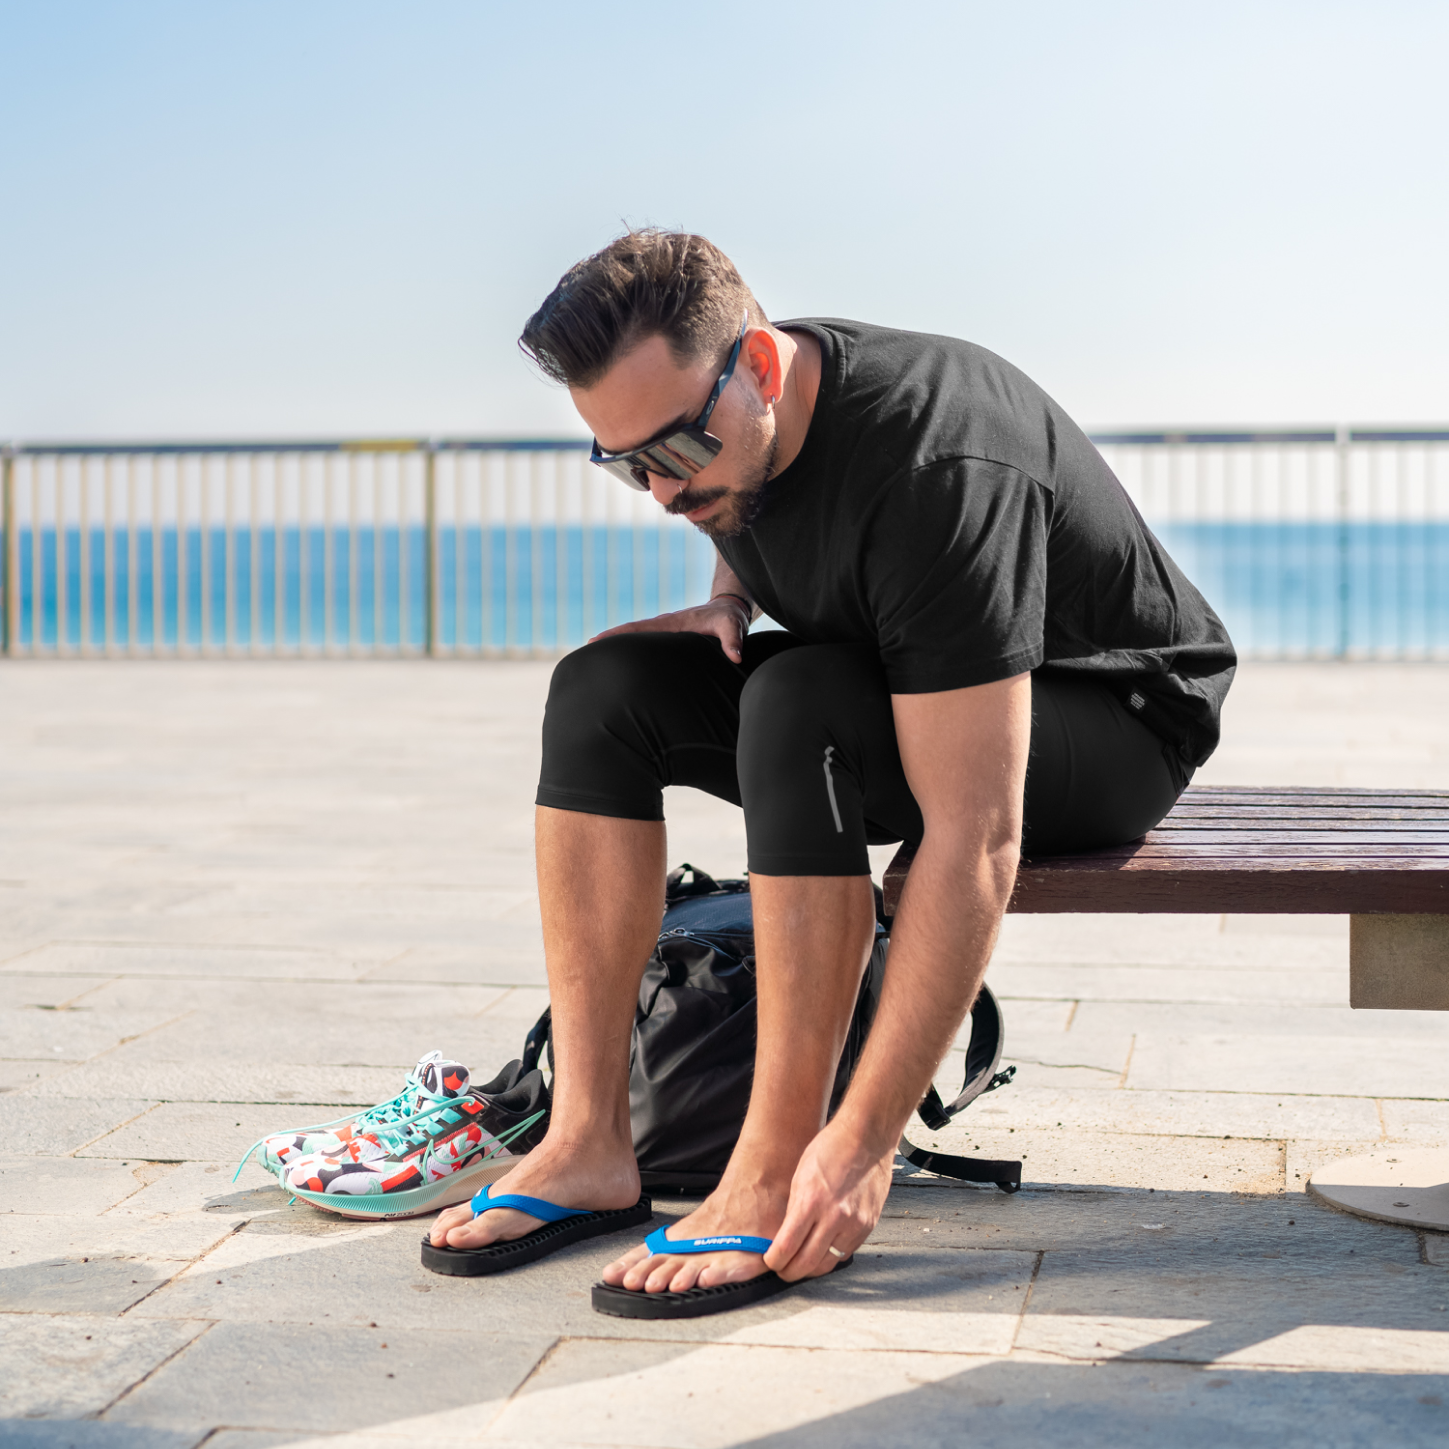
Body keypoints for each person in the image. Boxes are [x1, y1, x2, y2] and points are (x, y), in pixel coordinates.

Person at [427, 229, 1235, 1316]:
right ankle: (585, 1141)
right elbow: (760, 500)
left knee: (796, 702)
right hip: (912, 676)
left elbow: (975, 837)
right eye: (625, 464)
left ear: (758, 366)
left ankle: (776, 1164)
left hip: (1120, 717)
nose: (660, 492)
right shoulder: (740, 431)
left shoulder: (941, 469)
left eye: (673, 451)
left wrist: (860, 1147)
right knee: (599, 692)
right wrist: (727, 594)